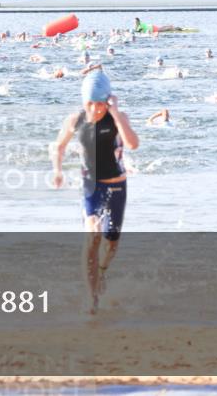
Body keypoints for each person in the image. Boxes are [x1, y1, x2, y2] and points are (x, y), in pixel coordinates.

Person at [52, 71, 139, 314]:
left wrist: (116, 113)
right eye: (89, 103)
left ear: (107, 100)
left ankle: (102, 272)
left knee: (111, 243)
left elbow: (132, 144)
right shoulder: (75, 120)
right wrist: (57, 170)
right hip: (91, 186)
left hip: (117, 185)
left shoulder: (117, 118)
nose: (94, 108)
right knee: (92, 235)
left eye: (99, 103)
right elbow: (58, 146)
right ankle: (92, 298)